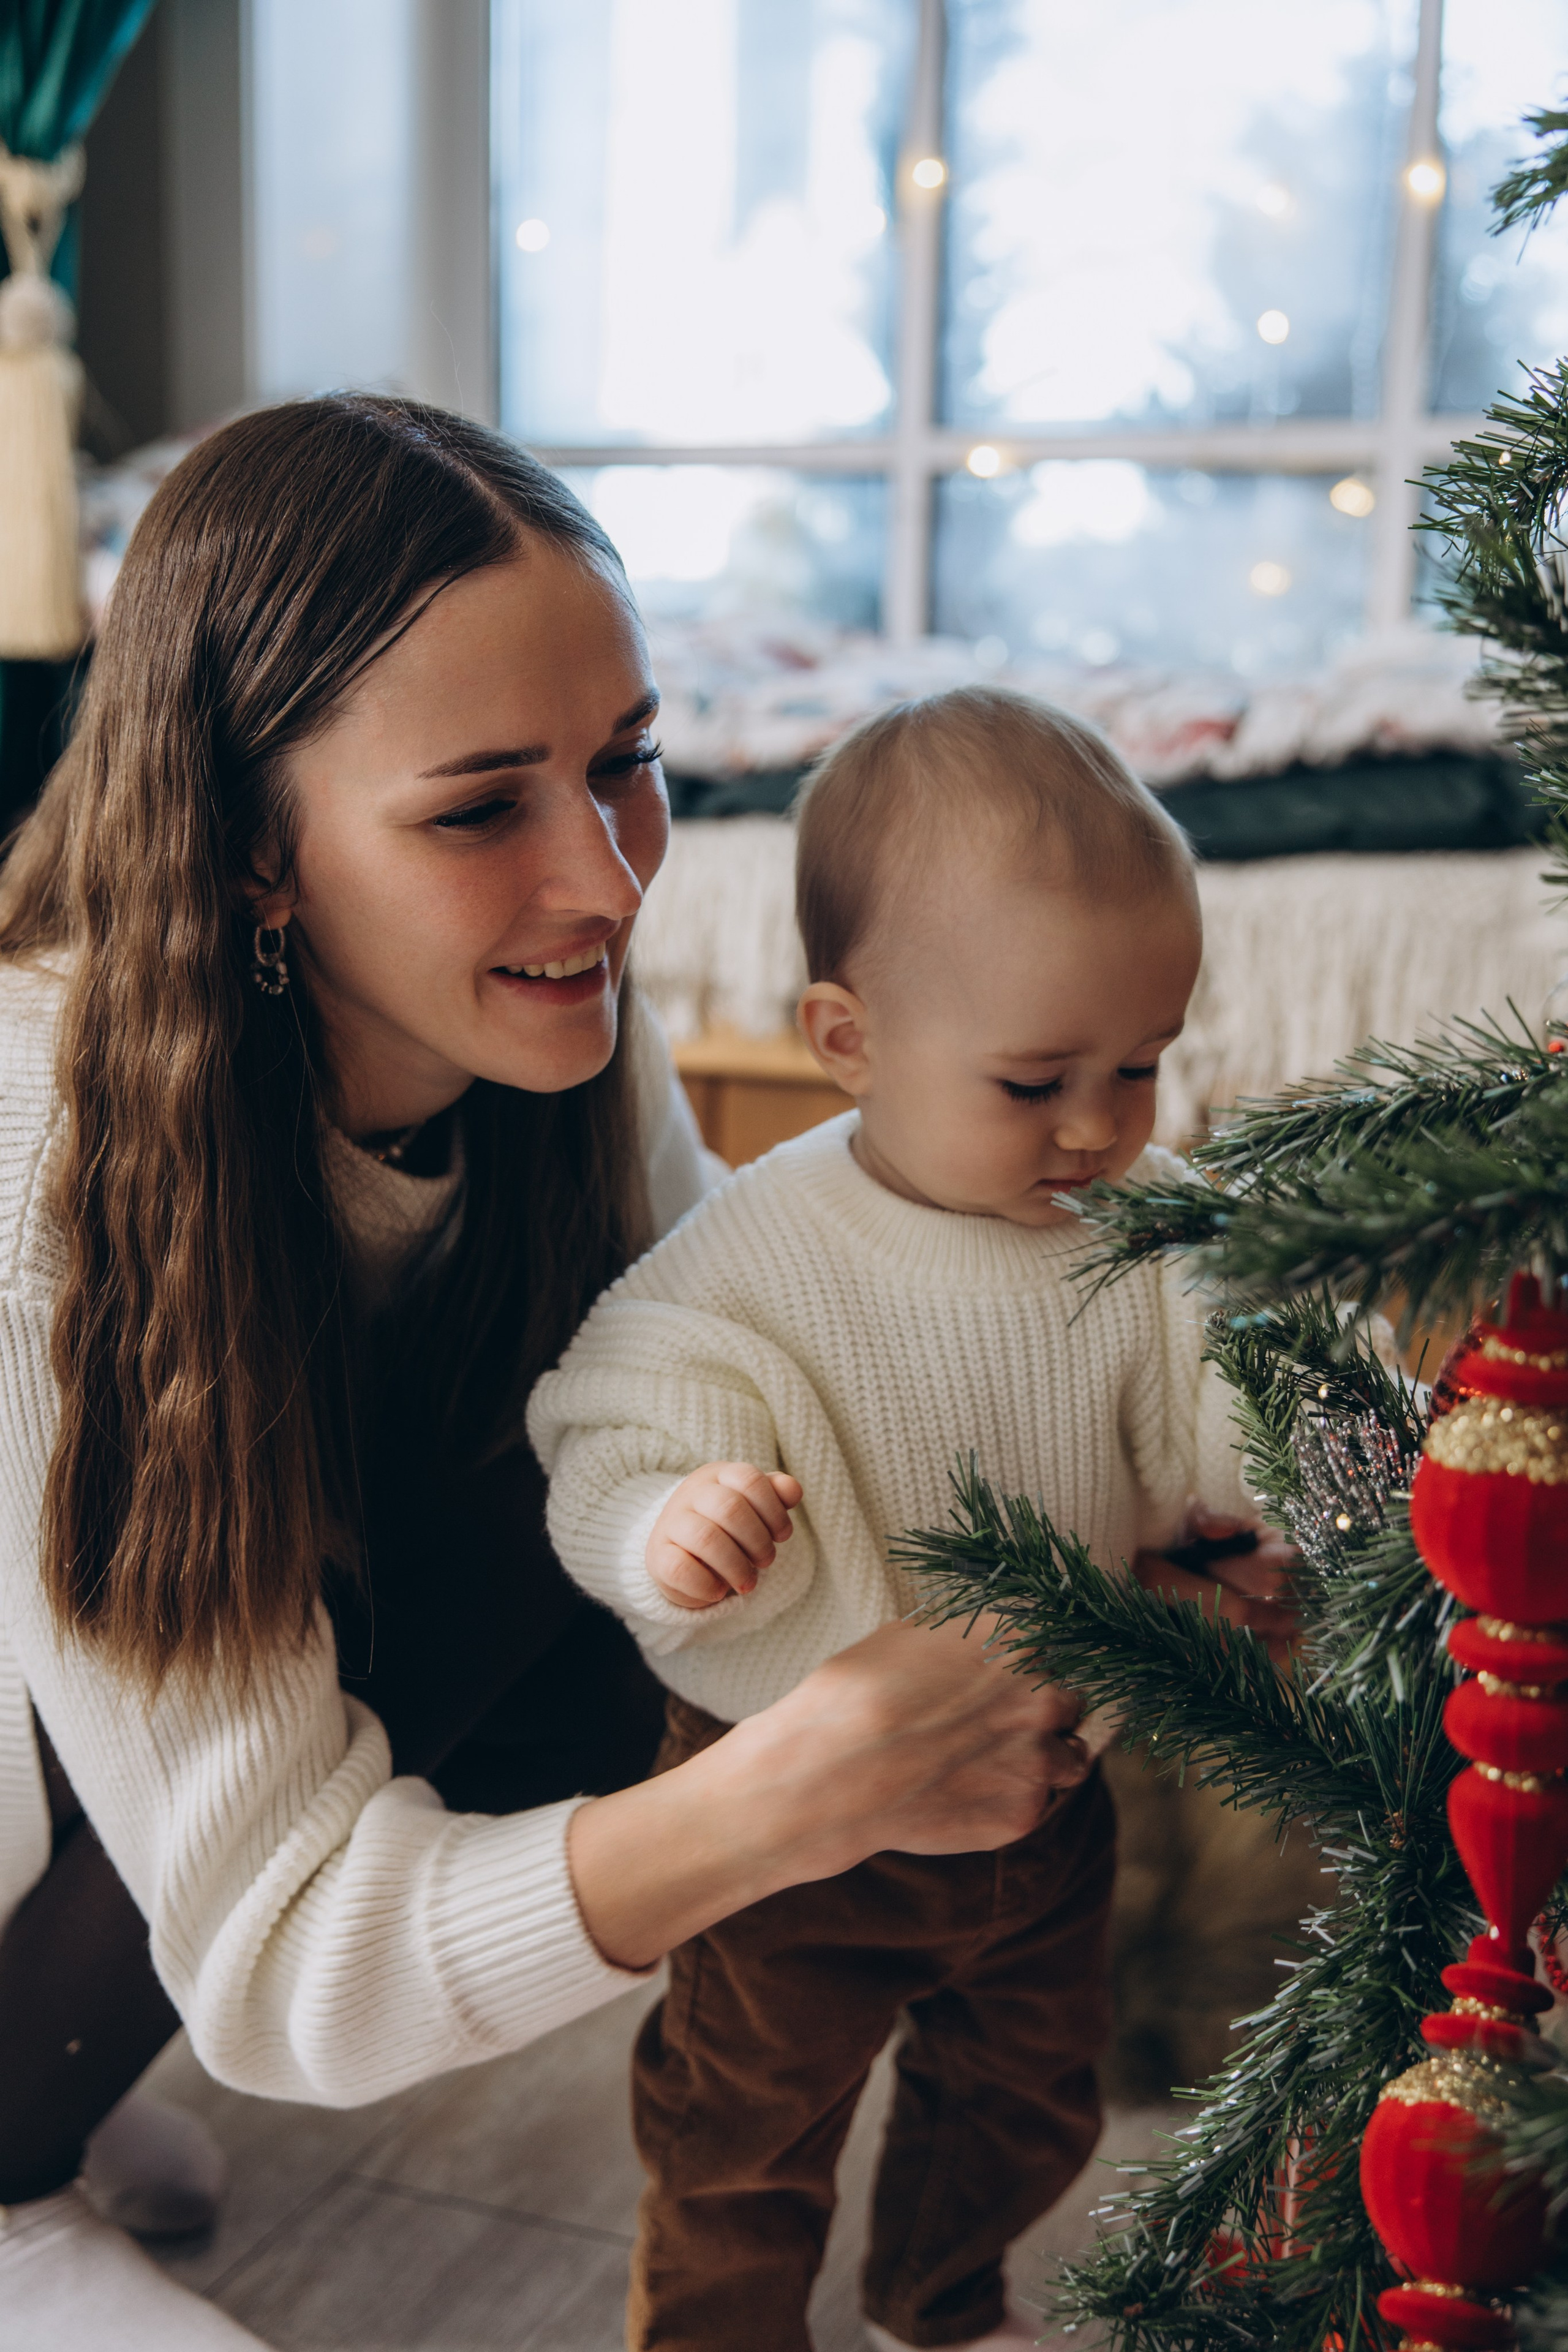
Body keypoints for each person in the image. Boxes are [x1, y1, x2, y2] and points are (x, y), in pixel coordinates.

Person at [0, 404, 1142, 2352]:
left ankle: (49, 2112)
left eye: (628, 765)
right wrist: (790, 1795)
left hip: (170, 1773)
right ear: (252, 850)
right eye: (477, 811)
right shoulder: (47, 1175)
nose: (609, 884)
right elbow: (287, 1946)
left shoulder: (563, 1038)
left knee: (613, 1486)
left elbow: (779, 1388)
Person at [529, 684, 1295, 2352]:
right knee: (746, 2138)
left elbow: (1229, 1401)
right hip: (786, 1822)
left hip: (1044, 1781)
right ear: (847, 1040)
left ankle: (937, 2307)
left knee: (1024, 2099)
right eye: (1034, 1082)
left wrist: (1278, 1500)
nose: (1100, 1125)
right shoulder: (761, 1252)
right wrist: (670, 1519)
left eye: (1143, 1066)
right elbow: (612, 1411)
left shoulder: (1142, 1223)